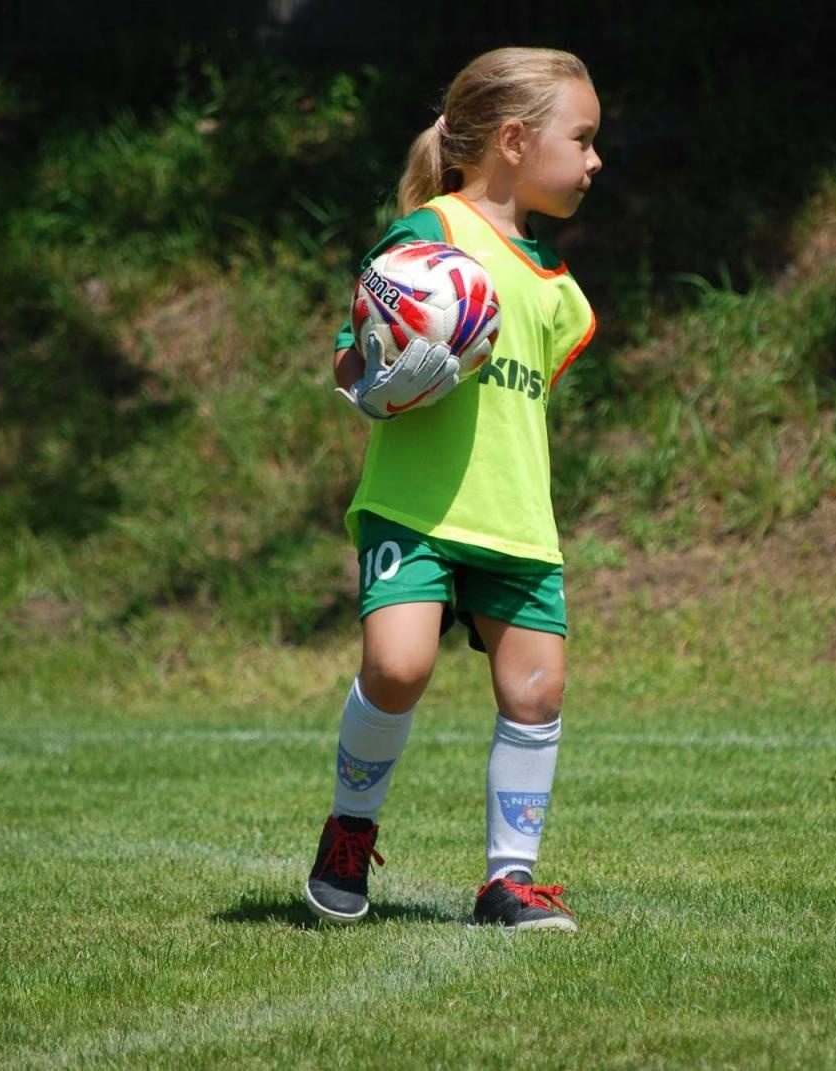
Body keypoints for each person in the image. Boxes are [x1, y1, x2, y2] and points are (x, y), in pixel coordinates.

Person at [304, 46, 603, 932]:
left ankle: (508, 882)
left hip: (515, 522)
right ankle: (349, 832)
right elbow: (351, 352)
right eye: (581, 139)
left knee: (537, 692)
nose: (594, 161)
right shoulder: (429, 239)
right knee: (396, 667)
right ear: (513, 140)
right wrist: (375, 383)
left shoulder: (561, 290)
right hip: (418, 509)